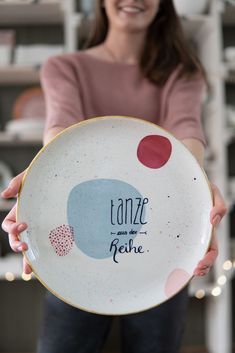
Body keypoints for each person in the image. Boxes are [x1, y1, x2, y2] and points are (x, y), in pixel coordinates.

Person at [1, 1, 227, 352]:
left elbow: (187, 132)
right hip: (77, 252)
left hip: (161, 248)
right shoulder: (65, 67)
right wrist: (44, 176)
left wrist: (195, 182)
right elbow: (61, 128)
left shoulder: (182, 72)